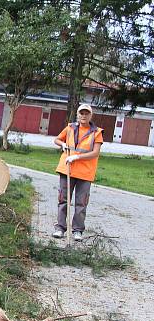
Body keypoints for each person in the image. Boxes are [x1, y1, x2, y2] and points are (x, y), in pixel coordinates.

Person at [52, 103, 103, 242]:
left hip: (85, 173)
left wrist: (77, 156)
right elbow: (56, 139)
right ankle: (60, 228)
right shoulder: (70, 128)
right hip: (67, 169)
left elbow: (95, 152)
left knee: (81, 203)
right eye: (81, 113)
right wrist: (62, 144)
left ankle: (78, 231)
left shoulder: (96, 132)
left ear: (91, 115)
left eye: (86, 113)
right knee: (63, 200)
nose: (84, 116)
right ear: (78, 114)